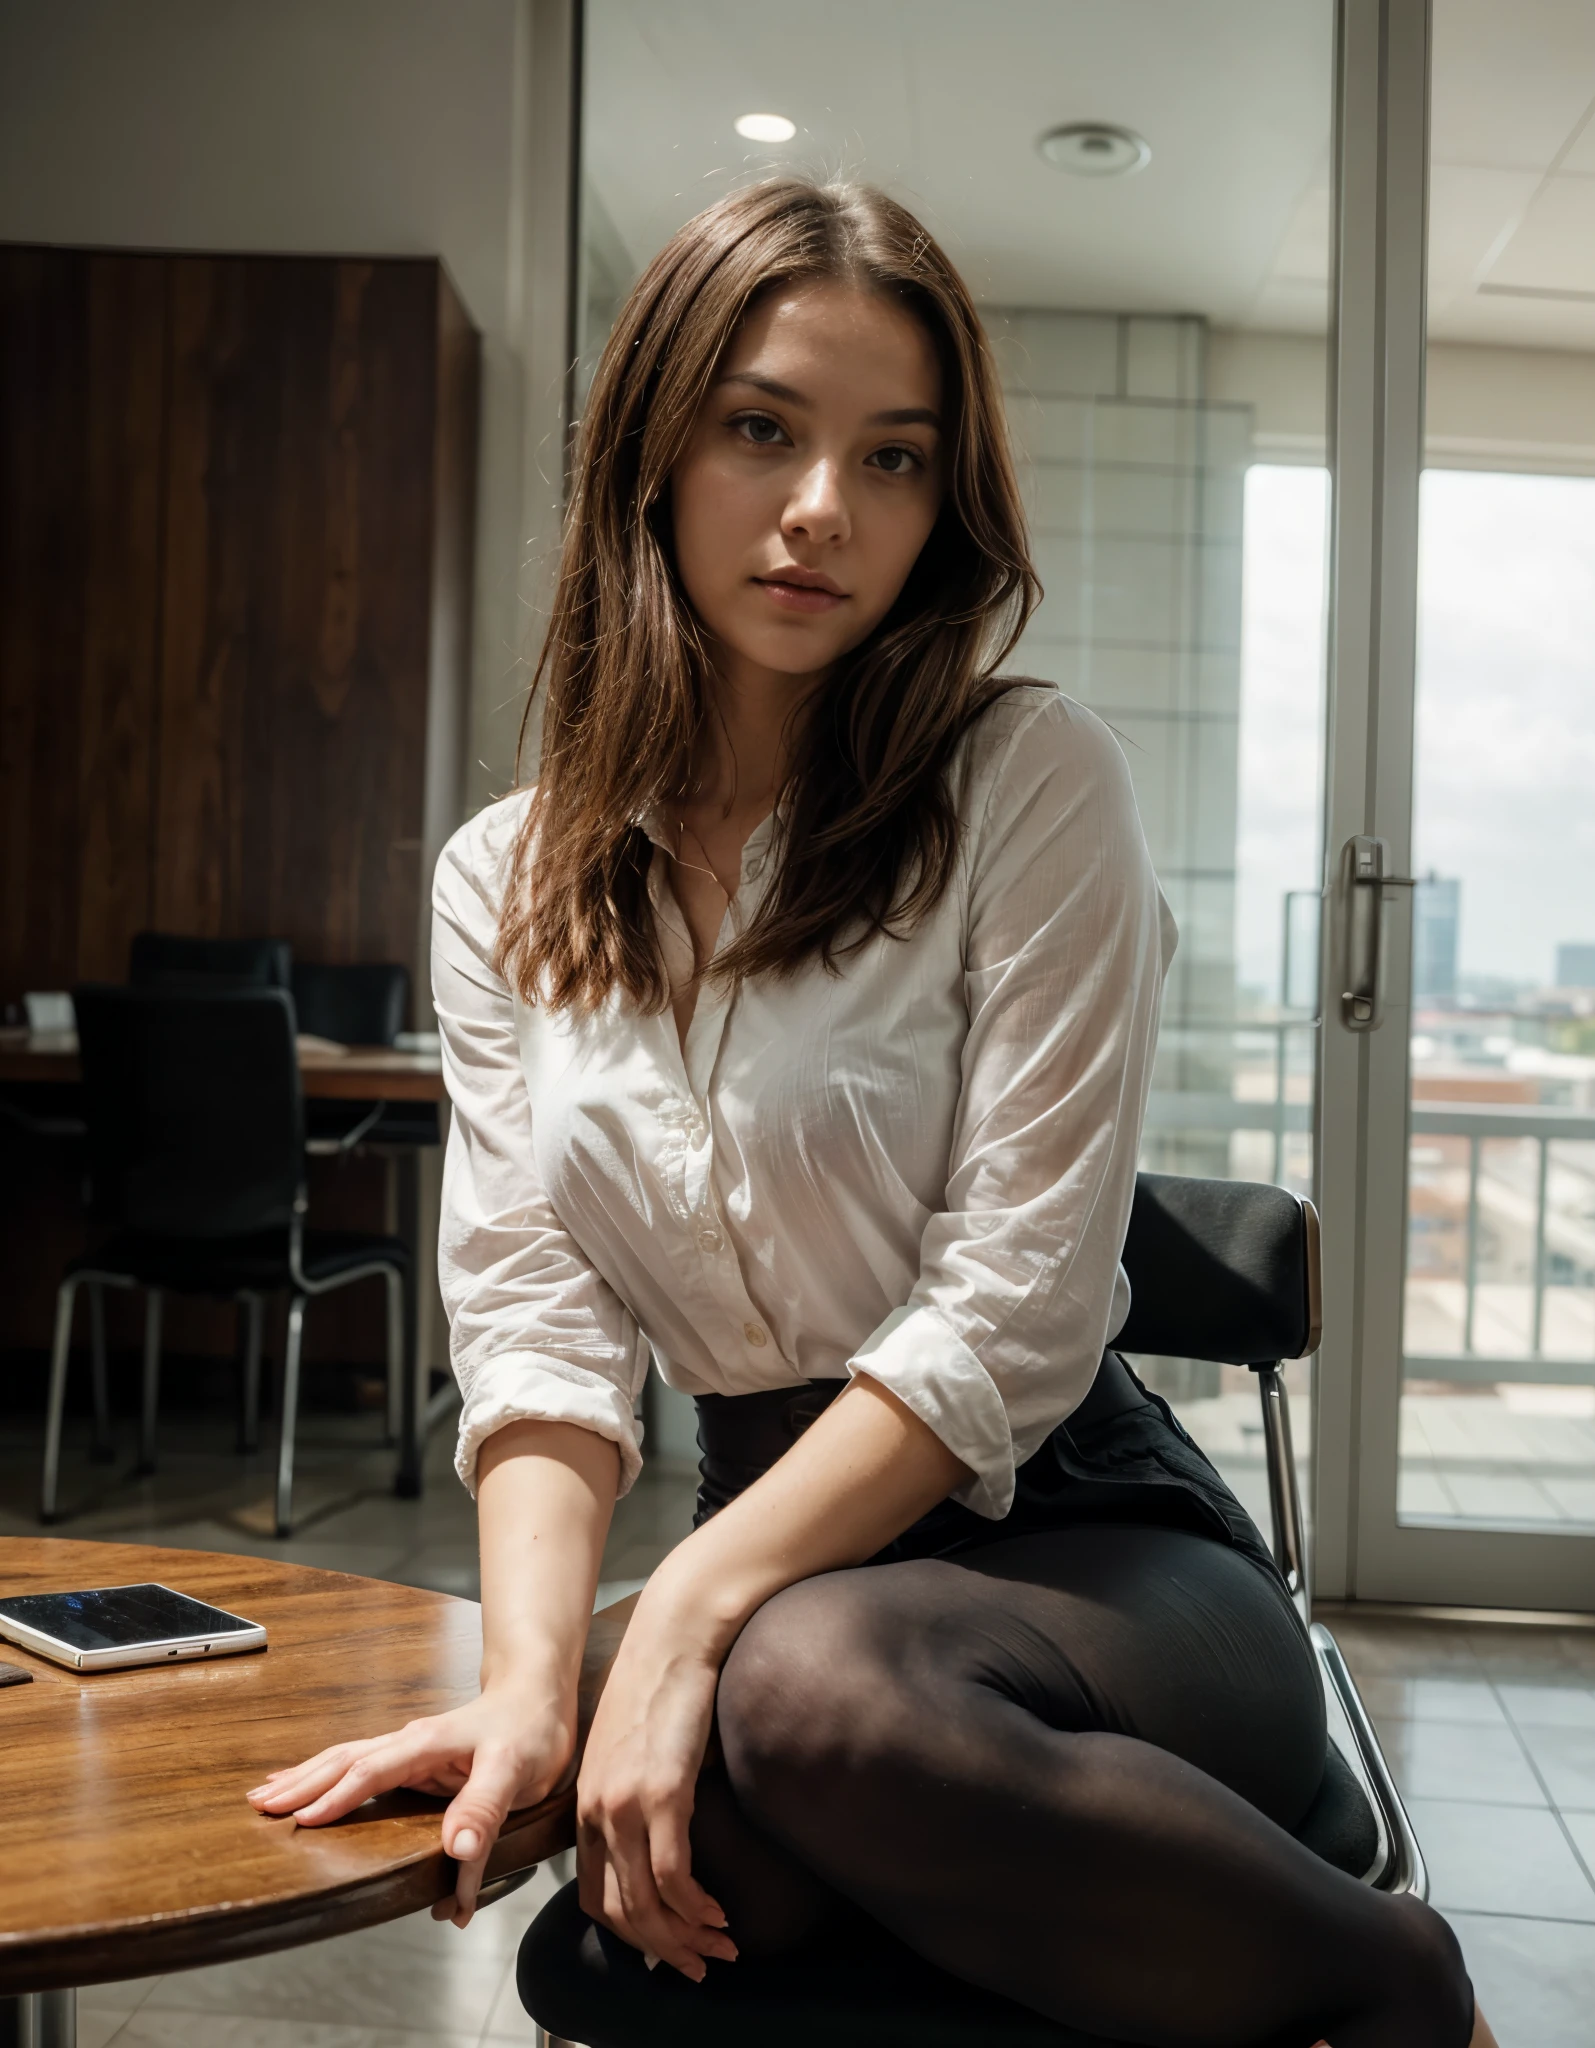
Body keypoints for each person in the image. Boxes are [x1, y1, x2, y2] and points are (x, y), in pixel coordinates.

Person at [253, 179, 1493, 2048]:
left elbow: (1016, 1310)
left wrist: (672, 1622)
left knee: (802, 1707)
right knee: (613, 1925)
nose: (825, 506)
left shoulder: (1029, 780)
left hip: (1096, 1547)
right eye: (763, 428)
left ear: (945, 505)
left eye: (894, 458)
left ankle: (1403, 1994)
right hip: (789, 1564)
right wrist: (533, 1683)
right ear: (651, 454)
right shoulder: (505, 879)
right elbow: (535, 1326)